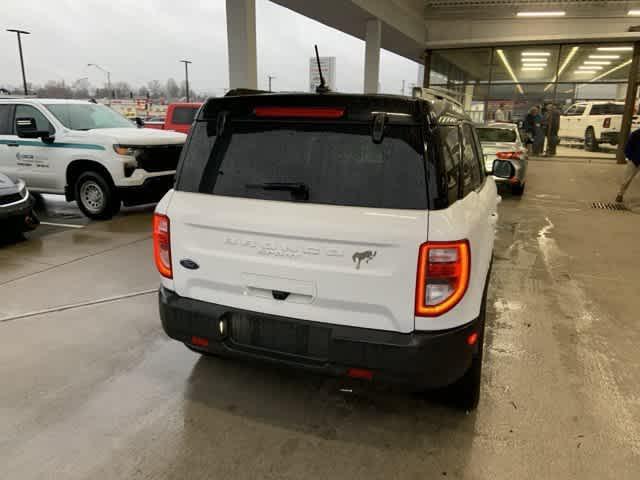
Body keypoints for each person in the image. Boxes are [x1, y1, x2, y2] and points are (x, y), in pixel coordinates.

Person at [616, 127, 640, 203]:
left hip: (635, 159)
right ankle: (620, 194)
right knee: (627, 179)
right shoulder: (636, 134)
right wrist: (631, 158)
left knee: (627, 178)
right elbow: (628, 147)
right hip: (635, 160)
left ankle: (620, 194)